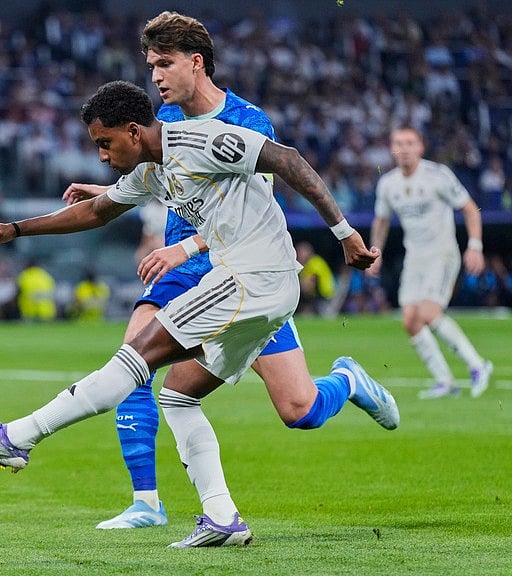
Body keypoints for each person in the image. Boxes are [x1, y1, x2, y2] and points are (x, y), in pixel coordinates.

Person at [0, 79, 393, 548]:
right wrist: (15, 230)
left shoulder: (204, 139)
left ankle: (18, 438)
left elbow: (289, 160)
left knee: (135, 359)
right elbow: (98, 211)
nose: (101, 155)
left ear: (134, 131)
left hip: (249, 279)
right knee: (178, 396)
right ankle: (222, 519)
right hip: (248, 282)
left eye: (105, 143)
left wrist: (344, 234)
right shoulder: (154, 168)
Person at [59, 12, 392, 537]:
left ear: (196, 62)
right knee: (137, 358)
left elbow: (248, 213)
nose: (156, 78)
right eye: (151, 66)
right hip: (181, 268)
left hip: (242, 274)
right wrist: (107, 192)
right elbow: (164, 181)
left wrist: (193, 243)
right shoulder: (157, 120)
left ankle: (346, 380)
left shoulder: (248, 122)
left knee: (298, 408)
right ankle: (146, 500)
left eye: (164, 64)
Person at [368, 126, 493, 399]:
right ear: (391, 148)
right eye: (398, 143)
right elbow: (382, 220)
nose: (404, 148)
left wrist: (475, 245)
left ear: (420, 147)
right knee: (410, 321)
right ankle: (445, 382)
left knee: (428, 313)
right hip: (415, 258)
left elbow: (470, 209)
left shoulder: (438, 175)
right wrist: (374, 251)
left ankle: (478, 365)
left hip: (442, 253)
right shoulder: (388, 183)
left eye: (410, 143)